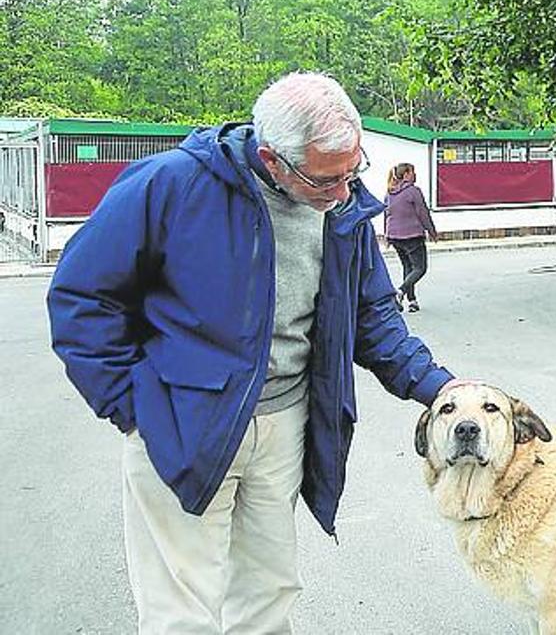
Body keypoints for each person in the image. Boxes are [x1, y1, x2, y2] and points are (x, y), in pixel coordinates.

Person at [47, 71, 460, 634]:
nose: (343, 194)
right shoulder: (173, 185)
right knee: (182, 612)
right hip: (181, 425)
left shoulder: (340, 210)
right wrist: (134, 408)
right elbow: (80, 297)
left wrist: (440, 387)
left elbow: (373, 315)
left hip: (284, 426)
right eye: (325, 180)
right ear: (273, 159)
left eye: (352, 171)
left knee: (269, 595)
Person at [384, 162, 438, 312]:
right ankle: (400, 292)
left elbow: (387, 214)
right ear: (406, 174)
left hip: (395, 236)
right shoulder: (413, 191)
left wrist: (387, 235)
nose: (415, 174)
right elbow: (423, 213)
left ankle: (412, 301)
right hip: (412, 235)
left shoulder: (390, 192)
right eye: (412, 172)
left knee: (408, 267)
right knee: (420, 268)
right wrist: (432, 231)